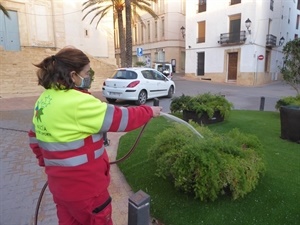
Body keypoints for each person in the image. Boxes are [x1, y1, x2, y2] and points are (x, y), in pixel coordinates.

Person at [28, 46, 162, 225]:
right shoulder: (79, 102)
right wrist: (149, 111)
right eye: (86, 72)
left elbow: (34, 137)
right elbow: (121, 118)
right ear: (73, 75)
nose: (89, 76)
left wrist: (51, 165)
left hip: (60, 189)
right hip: (88, 191)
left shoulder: (45, 99)